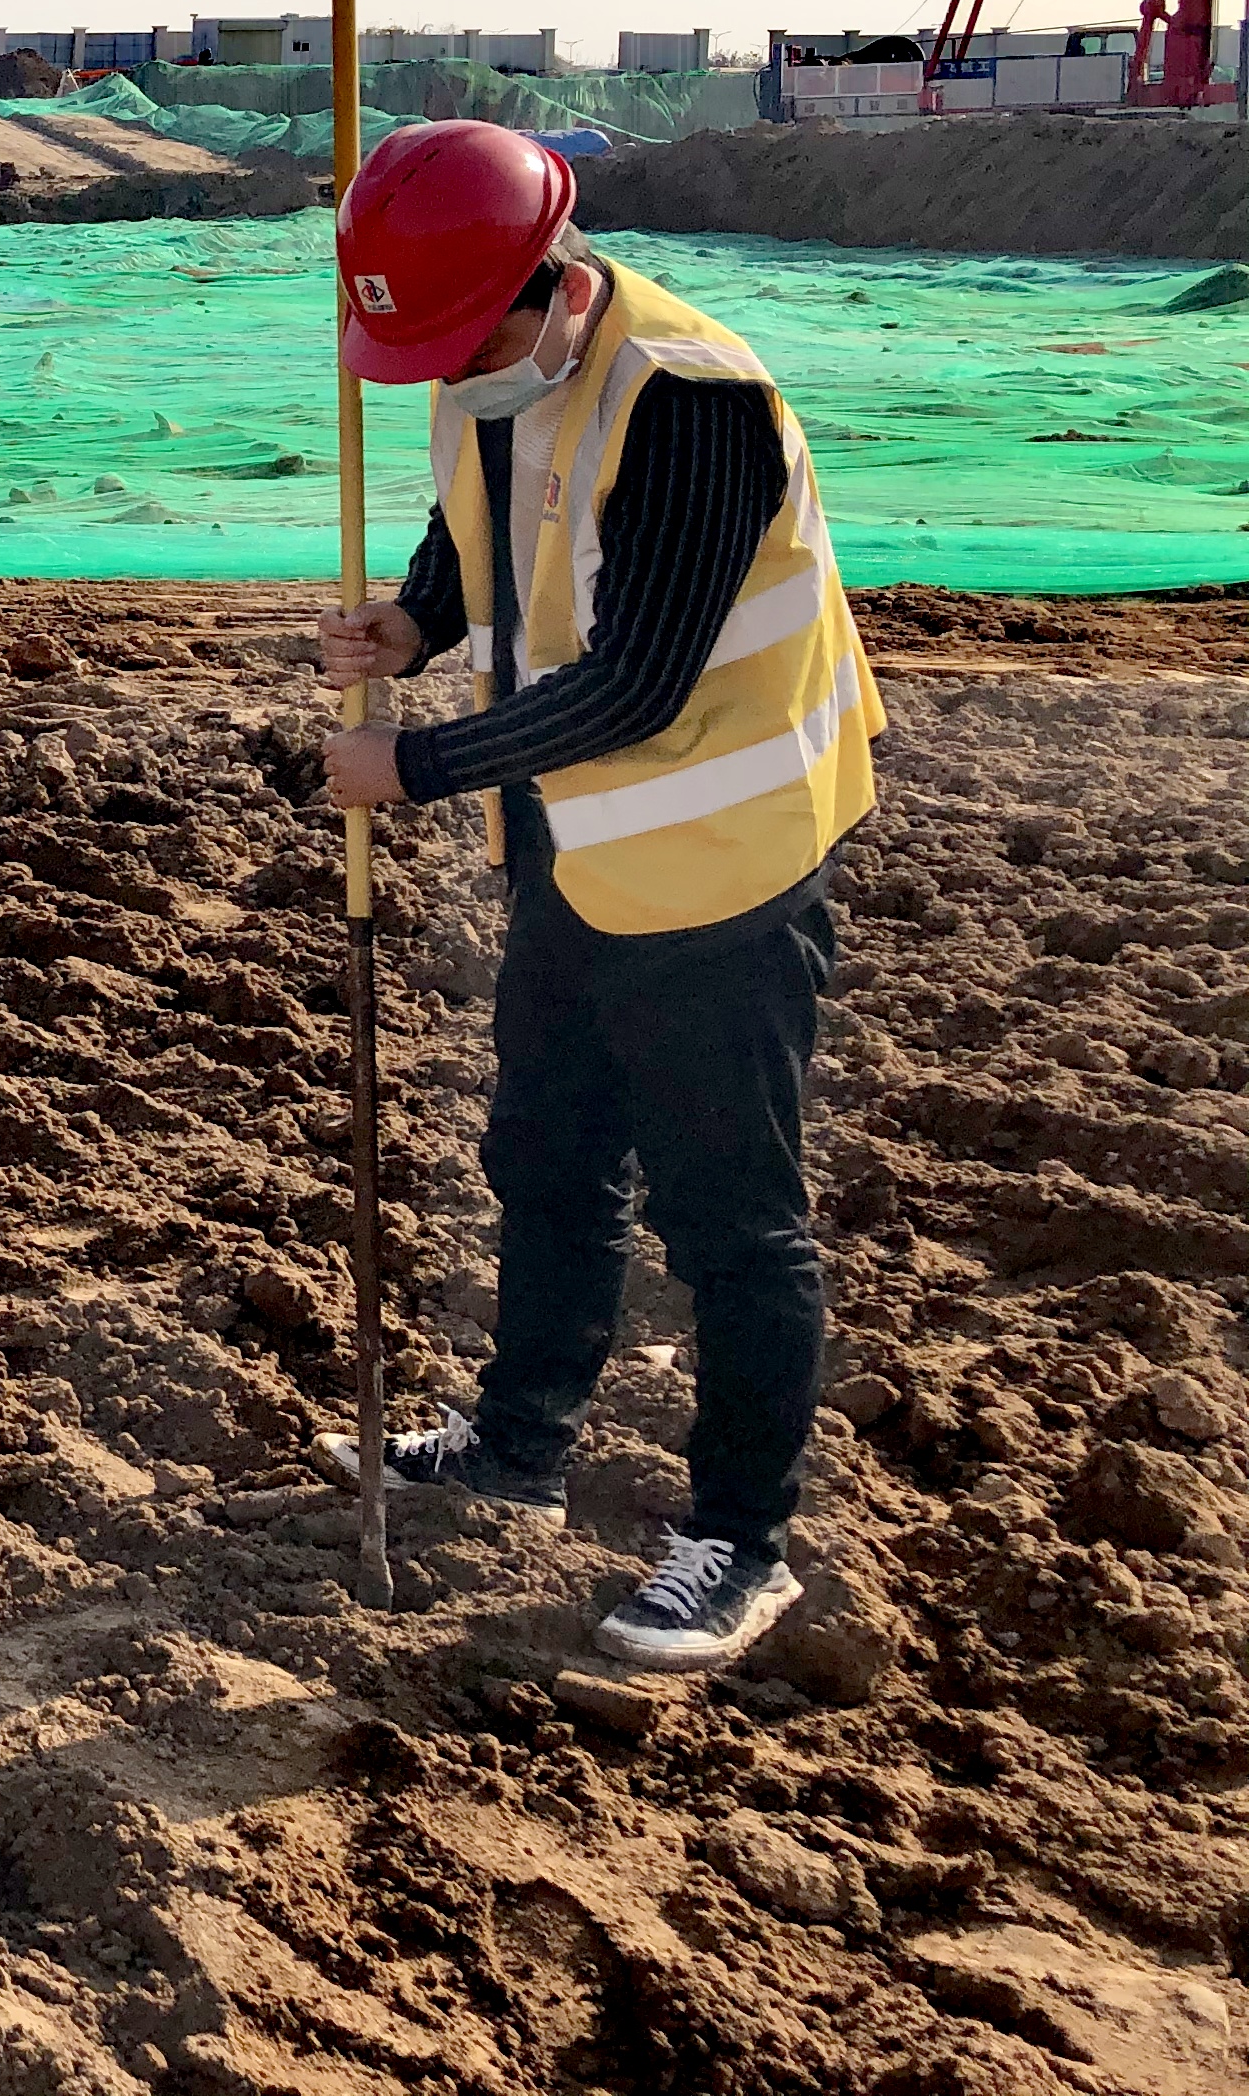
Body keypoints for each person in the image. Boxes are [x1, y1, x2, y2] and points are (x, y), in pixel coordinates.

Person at [310, 120, 881, 1674]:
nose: (446, 371)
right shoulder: (488, 371)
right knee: (545, 1153)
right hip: (573, 845)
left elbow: (636, 680)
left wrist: (412, 767)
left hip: (724, 856)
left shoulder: (691, 403)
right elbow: (480, 534)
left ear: (552, 284)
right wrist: (413, 622)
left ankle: (738, 1545)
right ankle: (521, 1446)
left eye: (464, 337)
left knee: (730, 1221)